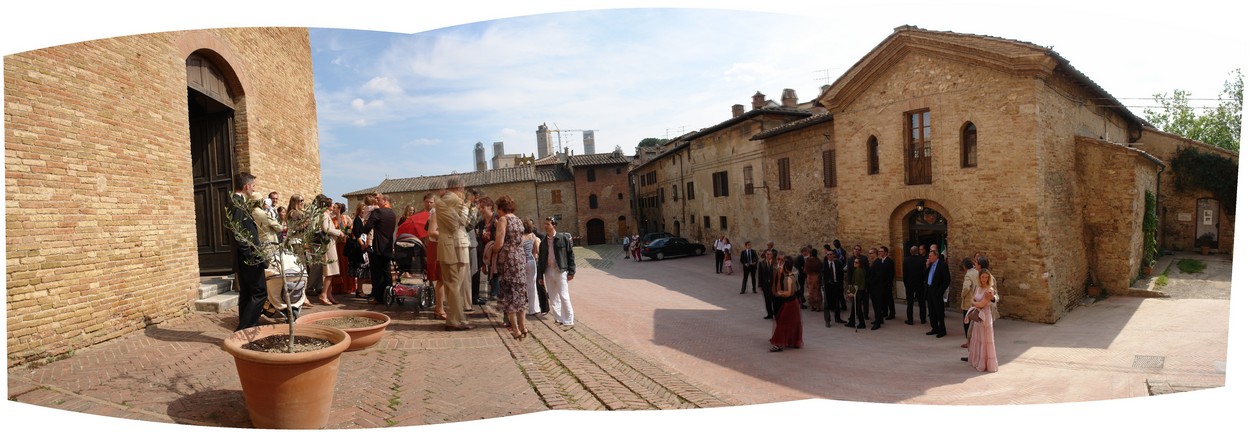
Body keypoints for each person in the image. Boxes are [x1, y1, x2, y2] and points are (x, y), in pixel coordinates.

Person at [429, 177, 474, 331]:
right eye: (463, 189)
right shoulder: (454, 200)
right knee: (455, 285)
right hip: (454, 246)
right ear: (458, 188)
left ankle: (457, 319)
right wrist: (468, 208)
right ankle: (454, 321)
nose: (463, 192)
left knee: (453, 285)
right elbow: (462, 224)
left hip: (450, 245)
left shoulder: (447, 200)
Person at [231, 172, 267, 331]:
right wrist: (250, 256)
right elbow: (237, 232)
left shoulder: (237, 202)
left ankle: (244, 330)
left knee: (246, 293)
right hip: (248, 258)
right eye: (253, 186)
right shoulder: (237, 203)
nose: (254, 189)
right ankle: (244, 330)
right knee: (260, 293)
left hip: (244, 257)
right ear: (246, 186)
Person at [490, 195, 529, 339]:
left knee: (509, 294)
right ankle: (523, 326)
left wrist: (491, 250)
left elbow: (499, 243)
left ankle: (516, 329)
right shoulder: (518, 220)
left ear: (501, 208)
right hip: (520, 258)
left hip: (508, 260)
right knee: (520, 293)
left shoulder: (503, 220)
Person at [537, 217, 576, 327]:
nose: (545, 226)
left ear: (554, 225)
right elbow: (541, 260)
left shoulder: (563, 238)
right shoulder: (543, 242)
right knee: (553, 296)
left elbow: (570, 254)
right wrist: (540, 276)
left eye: (548, 224)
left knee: (563, 295)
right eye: (545, 224)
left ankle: (569, 320)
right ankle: (558, 318)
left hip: (560, 270)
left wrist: (572, 271)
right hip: (548, 270)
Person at [362, 194, 397, 306]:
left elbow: (367, 227)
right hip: (388, 246)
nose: (377, 201)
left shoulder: (378, 212)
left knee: (377, 273)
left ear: (385, 200)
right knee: (387, 272)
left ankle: (378, 297)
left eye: (379, 199)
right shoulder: (392, 214)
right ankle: (389, 295)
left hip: (377, 246)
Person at [963, 269, 999, 372]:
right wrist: (975, 303)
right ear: (979, 278)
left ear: (989, 278)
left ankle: (984, 364)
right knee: (977, 339)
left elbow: (981, 304)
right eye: (983, 277)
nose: (984, 279)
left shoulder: (989, 290)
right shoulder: (977, 287)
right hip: (978, 317)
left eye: (986, 277)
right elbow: (973, 299)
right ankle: (977, 360)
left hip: (985, 317)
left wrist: (974, 303)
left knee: (985, 341)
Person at [768, 256, 803, 352]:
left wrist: (780, 293)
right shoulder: (793, 276)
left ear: (786, 268)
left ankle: (779, 344)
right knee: (793, 323)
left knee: (782, 322)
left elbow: (789, 293)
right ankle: (793, 341)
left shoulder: (788, 278)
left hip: (790, 303)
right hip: (794, 302)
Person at [522, 218, 547, 317]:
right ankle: (534, 309)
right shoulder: (533, 236)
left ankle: (521, 308)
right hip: (531, 261)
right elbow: (536, 250)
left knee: (522, 286)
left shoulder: (519, 237)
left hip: (522, 262)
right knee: (532, 285)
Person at [925, 249, 951, 338]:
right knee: (931, 311)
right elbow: (925, 275)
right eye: (929, 256)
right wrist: (927, 266)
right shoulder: (930, 264)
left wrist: (940, 291)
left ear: (936, 256)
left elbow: (947, 280)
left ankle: (942, 330)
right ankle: (934, 328)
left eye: (931, 256)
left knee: (939, 311)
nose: (929, 257)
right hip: (929, 290)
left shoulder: (942, 265)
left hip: (937, 291)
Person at [821, 248, 846, 327]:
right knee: (827, 303)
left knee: (837, 302)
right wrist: (823, 284)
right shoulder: (824, 264)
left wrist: (841, 284)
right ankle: (827, 320)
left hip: (836, 284)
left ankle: (837, 318)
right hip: (828, 285)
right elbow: (821, 275)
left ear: (833, 255)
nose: (829, 256)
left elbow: (841, 274)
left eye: (831, 254)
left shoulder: (838, 263)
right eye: (828, 254)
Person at [903, 245, 927, 325]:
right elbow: (924, 273)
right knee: (921, 302)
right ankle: (923, 319)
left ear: (910, 252)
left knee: (910, 303)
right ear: (917, 252)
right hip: (919, 284)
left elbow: (905, 274)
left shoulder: (906, 260)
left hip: (909, 284)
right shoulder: (922, 260)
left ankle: (910, 320)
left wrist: (906, 284)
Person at [958, 257, 978, 347]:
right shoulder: (977, 272)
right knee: (974, 323)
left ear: (964, 266)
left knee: (967, 323)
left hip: (968, 302)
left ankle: (969, 342)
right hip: (976, 300)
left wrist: (963, 295)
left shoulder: (968, 275)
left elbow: (966, 287)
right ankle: (975, 341)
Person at [845, 255, 869, 329]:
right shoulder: (860, 270)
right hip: (860, 291)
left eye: (856, 262)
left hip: (859, 291)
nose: (854, 263)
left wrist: (851, 292)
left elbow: (857, 284)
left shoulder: (858, 271)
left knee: (858, 308)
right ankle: (851, 322)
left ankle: (862, 324)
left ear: (860, 264)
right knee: (854, 307)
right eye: (854, 262)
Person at [804, 248, 823, 312]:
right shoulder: (818, 260)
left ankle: (812, 306)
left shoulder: (808, 260)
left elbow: (805, 270)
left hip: (809, 277)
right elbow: (821, 267)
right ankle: (818, 306)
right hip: (816, 277)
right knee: (817, 291)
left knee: (811, 291)